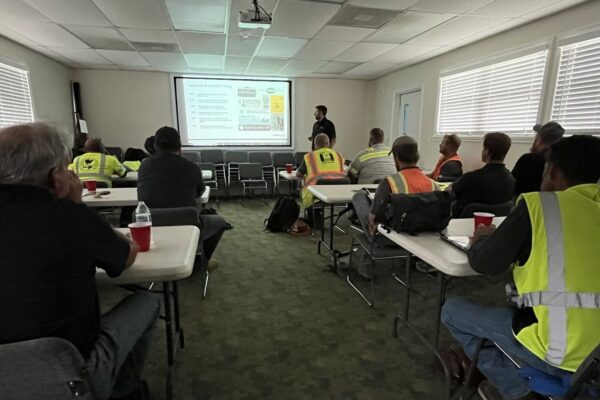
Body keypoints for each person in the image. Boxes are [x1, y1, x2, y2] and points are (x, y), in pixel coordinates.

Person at [0, 123, 160, 400]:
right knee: (147, 302)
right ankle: (126, 392)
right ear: (56, 177)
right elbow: (125, 257)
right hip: (68, 377)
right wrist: (76, 204)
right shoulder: (69, 216)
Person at [441, 135, 600, 400]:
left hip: (557, 349)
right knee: (513, 297)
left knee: (452, 310)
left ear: (553, 170)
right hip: (596, 358)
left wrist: (482, 240)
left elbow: (485, 263)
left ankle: (518, 388)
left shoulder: (541, 206)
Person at [137, 126, 227, 266]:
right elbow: (199, 193)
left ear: (155, 145)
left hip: (153, 225)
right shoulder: (191, 167)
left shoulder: (144, 166)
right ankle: (200, 261)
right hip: (186, 224)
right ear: (179, 146)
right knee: (219, 222)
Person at [368, 136, 438, 235]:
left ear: (396, 156)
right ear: (417, 156)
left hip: (392, 239)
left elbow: (373, 218)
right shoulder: (433, 184)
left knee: (360, 199)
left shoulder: (389, 183)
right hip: (425, 237)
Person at [450, 132, 515, 217]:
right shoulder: (511, 180)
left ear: (487, 151)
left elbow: (450, 193)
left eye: (483, 148)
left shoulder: (471, 178)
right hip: (494, 225)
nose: (482, 151)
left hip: (458, 223)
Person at [512, 122, 565, 197]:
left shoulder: (527, 159)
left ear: (539, 140)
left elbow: (510, 186)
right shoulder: (562, 163)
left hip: (525, 205)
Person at [296, 133, 345, 211]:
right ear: (328, 144)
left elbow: (299, 174)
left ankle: (312, 216)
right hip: (337, 194)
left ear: (316, 145)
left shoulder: (309, 156)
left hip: (315, 196)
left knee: (301, 187)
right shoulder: (339, 156)